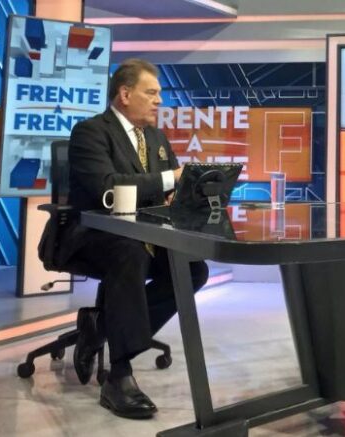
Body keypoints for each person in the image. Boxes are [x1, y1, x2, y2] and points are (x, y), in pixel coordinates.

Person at [61, 59, 209, 419]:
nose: (159, 100)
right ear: (125, 94)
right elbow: (107, 187)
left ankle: (101, 328)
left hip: (144, 234)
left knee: (193, 269)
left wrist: (185, 194)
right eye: (151, 92)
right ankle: (119, 375)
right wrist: (171, 179)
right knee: (130, 255)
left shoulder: (155, 138)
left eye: (160, 93)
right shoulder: (90, 132)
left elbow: (170, 188)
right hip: (94, 235)